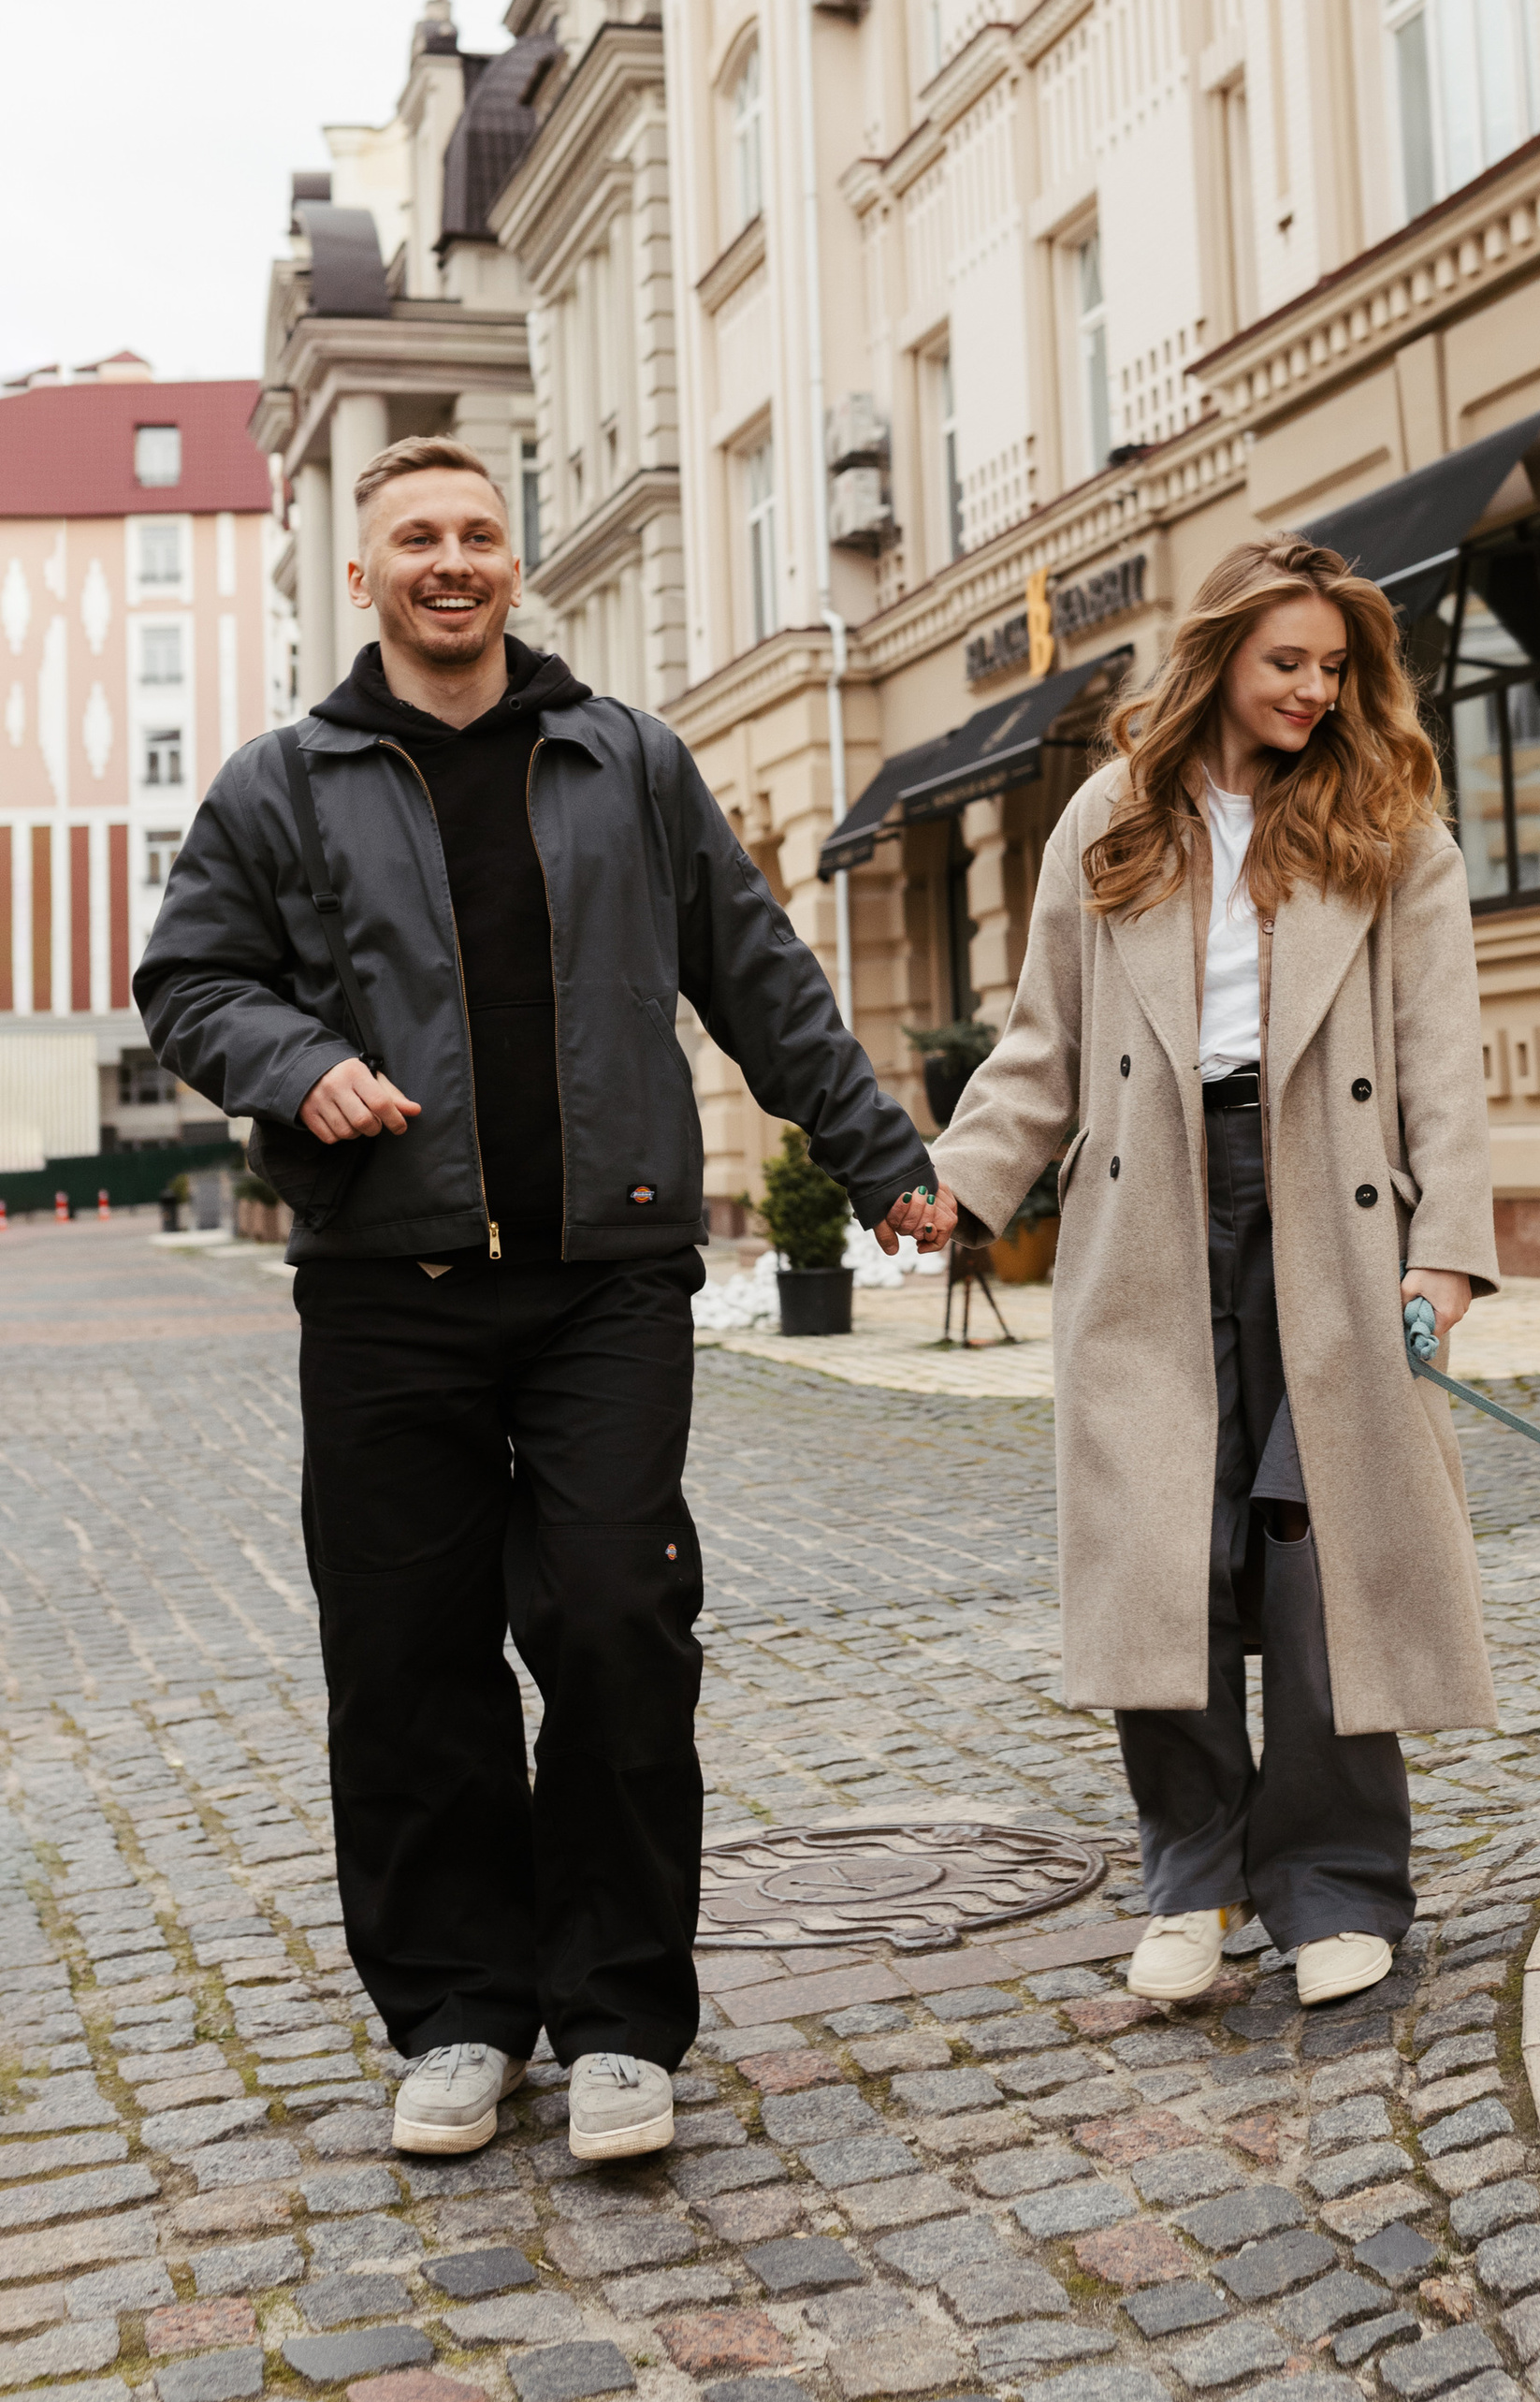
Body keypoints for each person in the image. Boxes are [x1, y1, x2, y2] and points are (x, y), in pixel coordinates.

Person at [136, 436, 940, 2162]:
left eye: (479, 534)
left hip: (606, 1283)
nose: (452, 559)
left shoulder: (625, 757)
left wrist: (879, 1154)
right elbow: (189, 978)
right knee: (406, 1653)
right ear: (364, 575)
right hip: (387, 1287)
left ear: (517, 563)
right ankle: (461, 2012)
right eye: (417, 537)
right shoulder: (283, 782)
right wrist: (298, 1061)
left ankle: (623, 2018)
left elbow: (755, 969)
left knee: (614, 1618)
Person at [920, 536, 1500, 2007]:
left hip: (1333, 1206)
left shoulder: (1390, 819)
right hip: (1150, 1207)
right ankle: (1194, 1874)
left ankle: (1337, 1880)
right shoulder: (1111, 817)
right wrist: (960, 1183)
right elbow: (1043, 1038)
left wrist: (1446, 1254)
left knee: (1321, 1548)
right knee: (1165, 1548)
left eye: (1334, 665)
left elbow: (1442, 1055)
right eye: (1286, 659)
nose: (1314, 689)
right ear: (1220, 655)